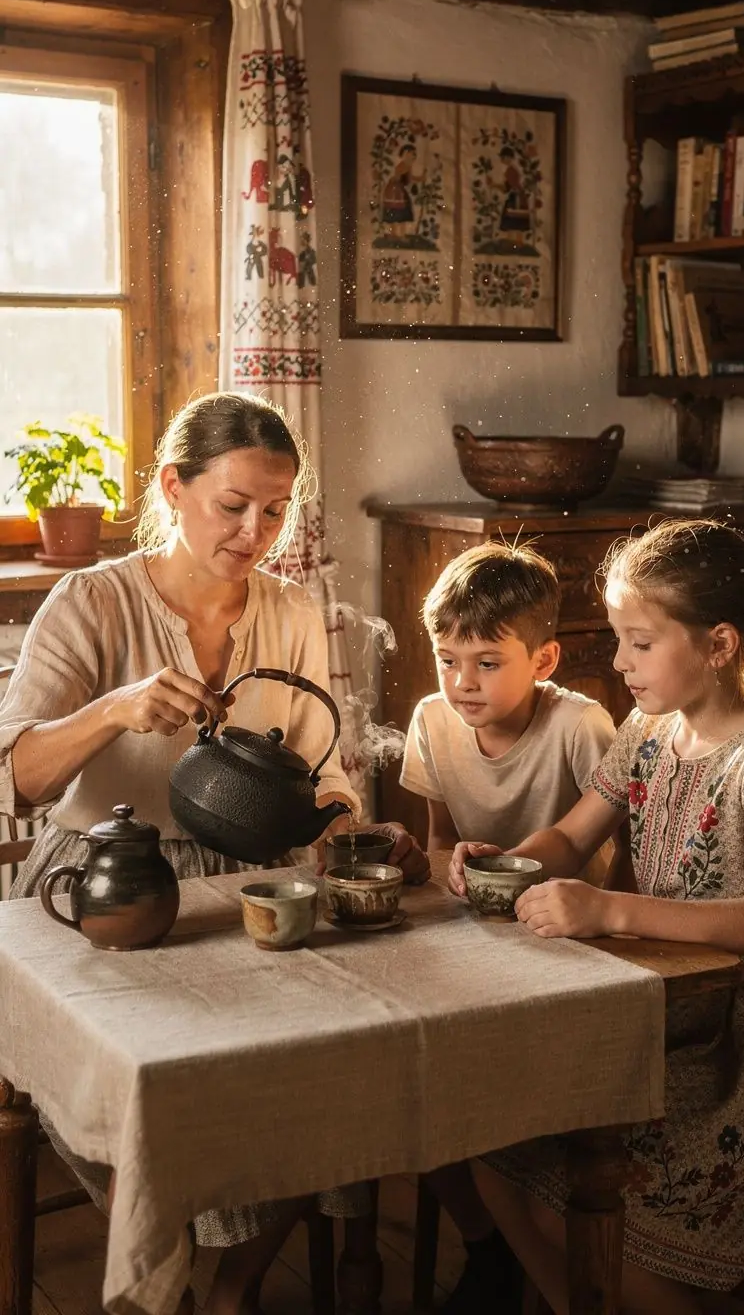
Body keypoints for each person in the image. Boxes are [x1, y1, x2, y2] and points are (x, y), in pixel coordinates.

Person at [0, 390, 428, 1315]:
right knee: (151, 1082)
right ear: (172, 487)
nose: (254, 532)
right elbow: (19, 776)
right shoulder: (91, 601)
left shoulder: (293, 610)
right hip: (105, 883)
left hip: (252, 880)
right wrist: (113, 709)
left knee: (331, 1063)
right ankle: (166, 1277)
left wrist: (347, 825)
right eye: (233, 505)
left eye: (275, 511)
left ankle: (233, 1285)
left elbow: (324, 772)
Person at [448, 518, 744, 1315]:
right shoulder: (646, 733)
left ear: (719, 645)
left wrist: (608, 909)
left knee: (576, 1200)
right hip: (655, 1003)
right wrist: (504, 863)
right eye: (620, 640)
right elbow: (571, 839)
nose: (619, 662)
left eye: (640, 643)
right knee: (486, 1148)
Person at [400, 540, 616, 1313]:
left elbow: (619, 859)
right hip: (476, 938)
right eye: (447, 659)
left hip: (571, 947)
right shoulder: (432, 721)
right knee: (408, 1078)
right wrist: (446, 861)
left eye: (488, 662)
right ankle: (488, 1244)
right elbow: (436, 844)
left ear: (544, 659)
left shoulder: (582, 727)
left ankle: (523, 1252)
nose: (462, 681)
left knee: (483, 1098)